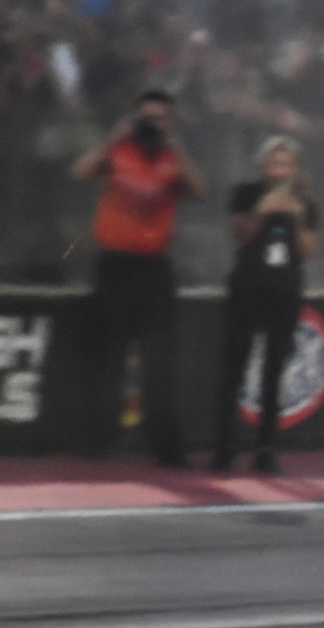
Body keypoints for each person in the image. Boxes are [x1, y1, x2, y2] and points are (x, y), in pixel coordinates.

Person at [72, 87, 206, 466]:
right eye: (146, 117)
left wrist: (175, 146)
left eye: (160, 117)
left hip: (154, 266)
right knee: (107, 354)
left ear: (171, 120)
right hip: (114, 264)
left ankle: (164, 443)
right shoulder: (118, 150)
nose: (153, 124)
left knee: (161, 359)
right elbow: (80, 172)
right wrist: (114, 138)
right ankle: (100, 438)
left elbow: (199, 191)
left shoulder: (171, 156)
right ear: (134, 117)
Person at [211, 136, 317, 474]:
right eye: (275, 163)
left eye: (287, 164)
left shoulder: (306, 202)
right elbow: (238, 235)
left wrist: (298, 218)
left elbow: (307, 251)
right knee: (235, 367)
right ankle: (225, 446)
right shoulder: (247, 193)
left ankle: (266, 447)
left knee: (275, 370)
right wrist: (262, 210)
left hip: (284, 291)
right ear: (263, 166)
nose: (281, 170)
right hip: (247, 286)